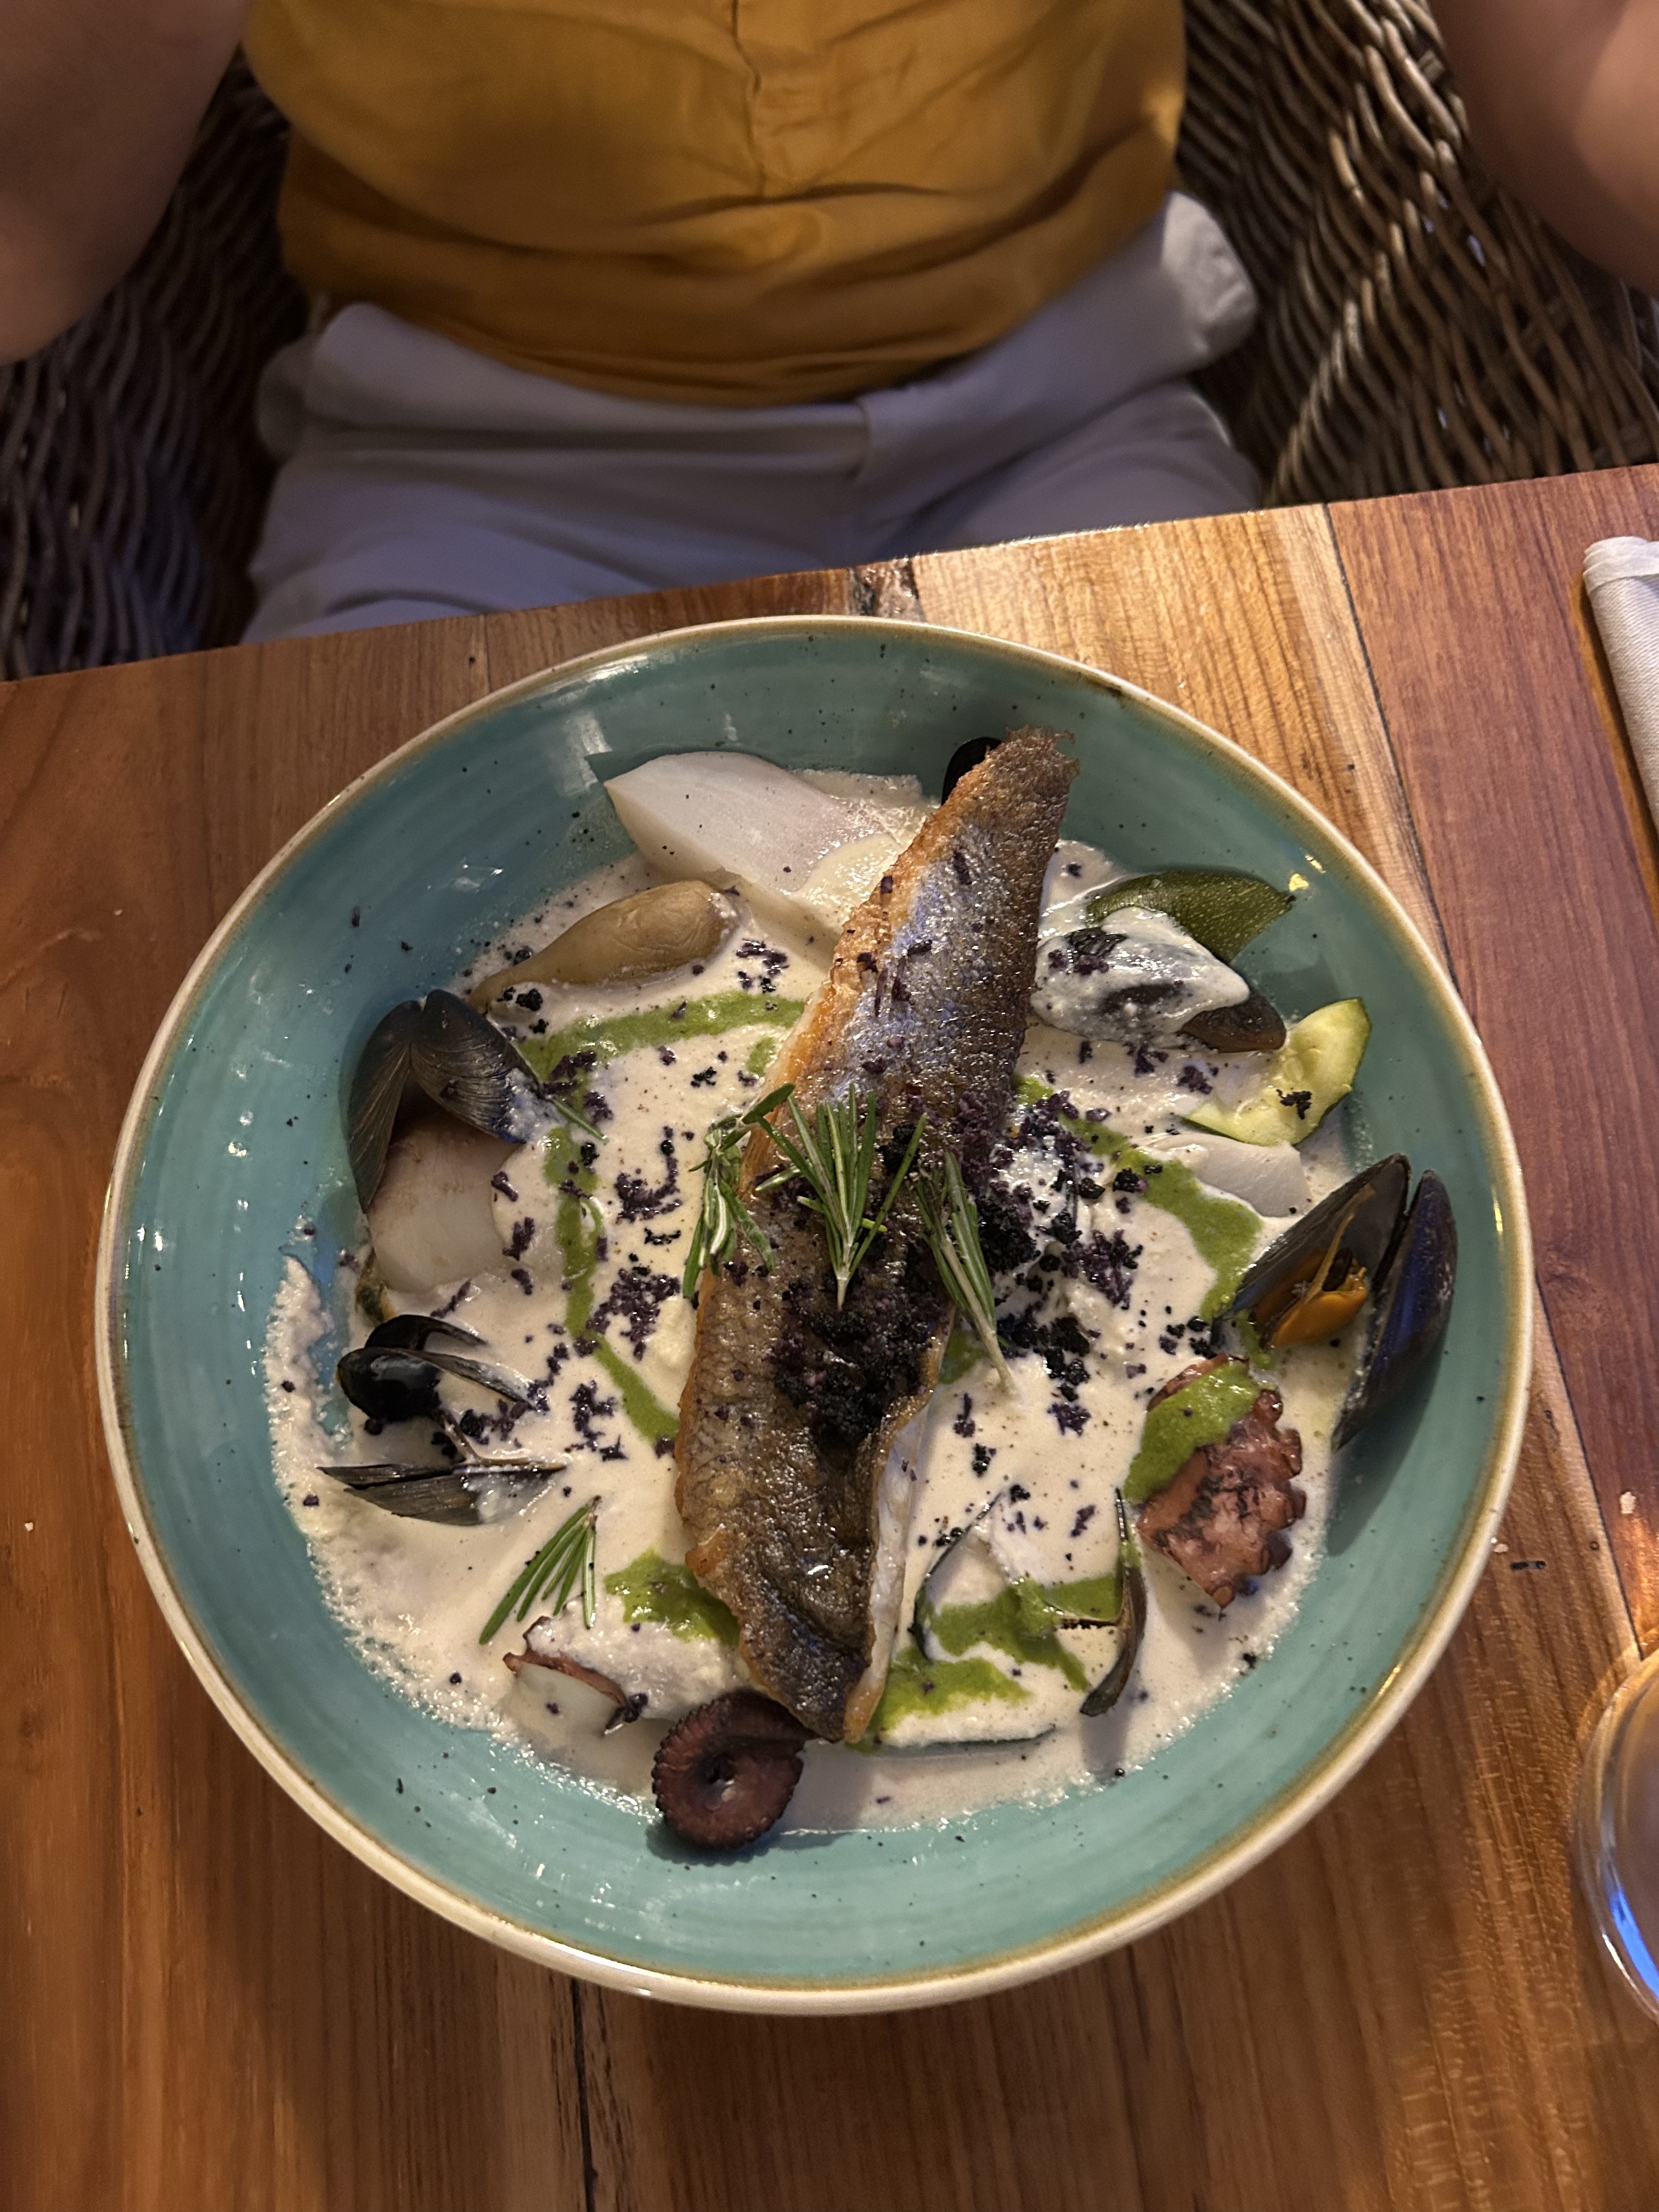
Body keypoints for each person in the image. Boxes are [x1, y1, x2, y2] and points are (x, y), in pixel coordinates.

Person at [5, 3, 1645, 639]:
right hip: (471, 459)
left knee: (1224, 1006)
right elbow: (33, 238)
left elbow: (1570, 71)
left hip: (1060, 408)